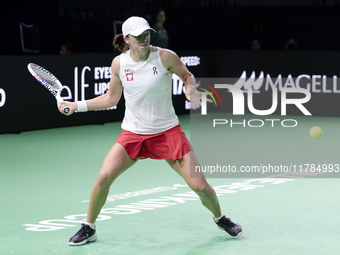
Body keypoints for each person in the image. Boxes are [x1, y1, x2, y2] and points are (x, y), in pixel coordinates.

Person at [60, 16, 243, 246]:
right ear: (127, 39)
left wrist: (190, 90)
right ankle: (89, 227)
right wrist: (76, 106)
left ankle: (220, 218)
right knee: (104, 177)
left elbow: (187, 76)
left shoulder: (165, 56)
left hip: (167, 132)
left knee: (201, 187)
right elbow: (111, 99)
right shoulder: (119, 63)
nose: (144, 39)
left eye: (146, 34)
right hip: (133, 133)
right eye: (137, 36)